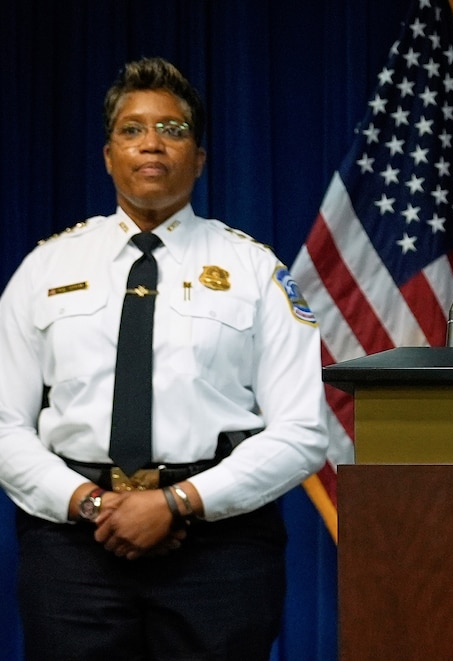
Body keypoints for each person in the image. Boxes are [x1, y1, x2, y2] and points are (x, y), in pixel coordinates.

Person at [0, 57, 329, 659]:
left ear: (199, 159)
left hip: (221, 551)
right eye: (132, 129)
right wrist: (95, 505)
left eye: (173, 129)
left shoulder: (255, 271)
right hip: (73, 549)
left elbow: (304, 432)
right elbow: (4, 426)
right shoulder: (43, 270)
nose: (152, 143)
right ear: (108, 154)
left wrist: (176, 503)